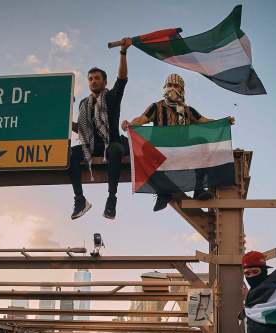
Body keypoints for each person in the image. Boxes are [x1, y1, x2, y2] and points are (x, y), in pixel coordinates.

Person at [122, 73, 235, 212]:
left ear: (181, 89)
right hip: (162, 149)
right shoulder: (156, 107)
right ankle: (163, 192)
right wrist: (130, 124)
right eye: (169, 85)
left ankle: (199, 189)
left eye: (175, 86)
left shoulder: (187, 110)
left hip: (182, 149)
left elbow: (205, 122)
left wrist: (223, 122)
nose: (171, 88)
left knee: (201, 141)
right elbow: (141, 119)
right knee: (144, 148)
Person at [68, 37, 133, 220]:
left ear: (104, 82)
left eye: (97, 78)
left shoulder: (112, 97)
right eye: (90, 79)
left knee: (115, 150)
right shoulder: (84, 103)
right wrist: (65, 123)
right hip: (92, 146)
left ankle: (111, 199)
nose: (93, 81)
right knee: (71, 154)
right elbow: (82, 129)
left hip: (111, 143)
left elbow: (122, 79)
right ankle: (80, 200)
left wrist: (123, 52)